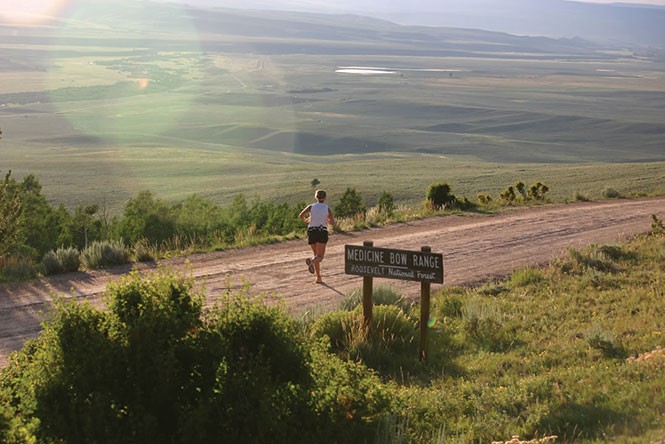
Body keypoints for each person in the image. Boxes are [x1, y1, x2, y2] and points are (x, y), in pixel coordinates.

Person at [299, 189, 335, 283]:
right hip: (321, 231)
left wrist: (307, 220)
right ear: (325, 198)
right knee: (320, 257)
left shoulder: (311, 207)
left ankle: (318, 277)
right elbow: (332, 222)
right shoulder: (326, 208)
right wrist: (326, 220)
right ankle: (311, 261)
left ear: (316, 197)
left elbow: (301, 215)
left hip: (311, 231)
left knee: (316, 255)